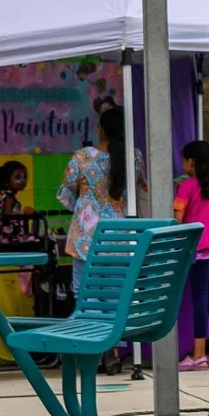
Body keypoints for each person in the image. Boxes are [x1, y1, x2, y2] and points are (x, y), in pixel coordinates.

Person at [57, 105, 131, 300]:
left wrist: (86, 208)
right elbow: (142, 191)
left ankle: (91, 331)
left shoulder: (82, 157)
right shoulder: (134, 157)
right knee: (116, 296)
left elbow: (66, 194)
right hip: (121, 238)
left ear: (101, 129)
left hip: (86, 238)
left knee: (85, 296)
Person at [174, 139, 209, 372]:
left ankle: (199, 354)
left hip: (198, 247)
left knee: (200, 299)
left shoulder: (186, 186)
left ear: (191, 162)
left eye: (184, 159)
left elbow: (178, 217)